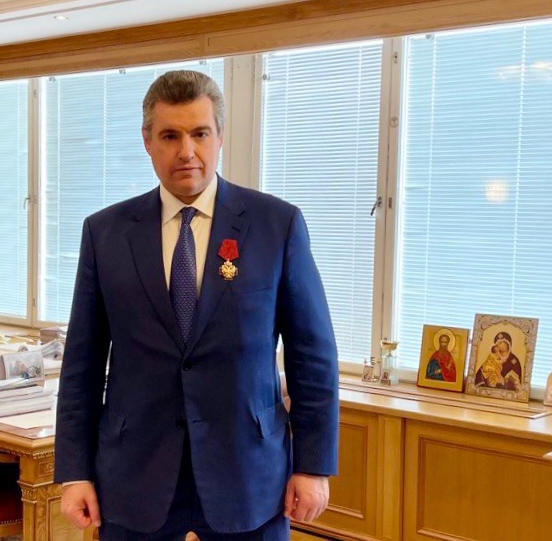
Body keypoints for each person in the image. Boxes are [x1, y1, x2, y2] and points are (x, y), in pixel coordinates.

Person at [54, 70, 339, 541]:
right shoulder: (105, 233)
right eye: (170, 136)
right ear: (147, 141)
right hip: (134, 477)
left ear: (220, 137)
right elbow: (81, 365)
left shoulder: (276, 225)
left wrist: (313, 466)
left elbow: (313, 356)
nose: (187, 151)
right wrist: (75, 472)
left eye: (200, 134)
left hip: (248, 476)